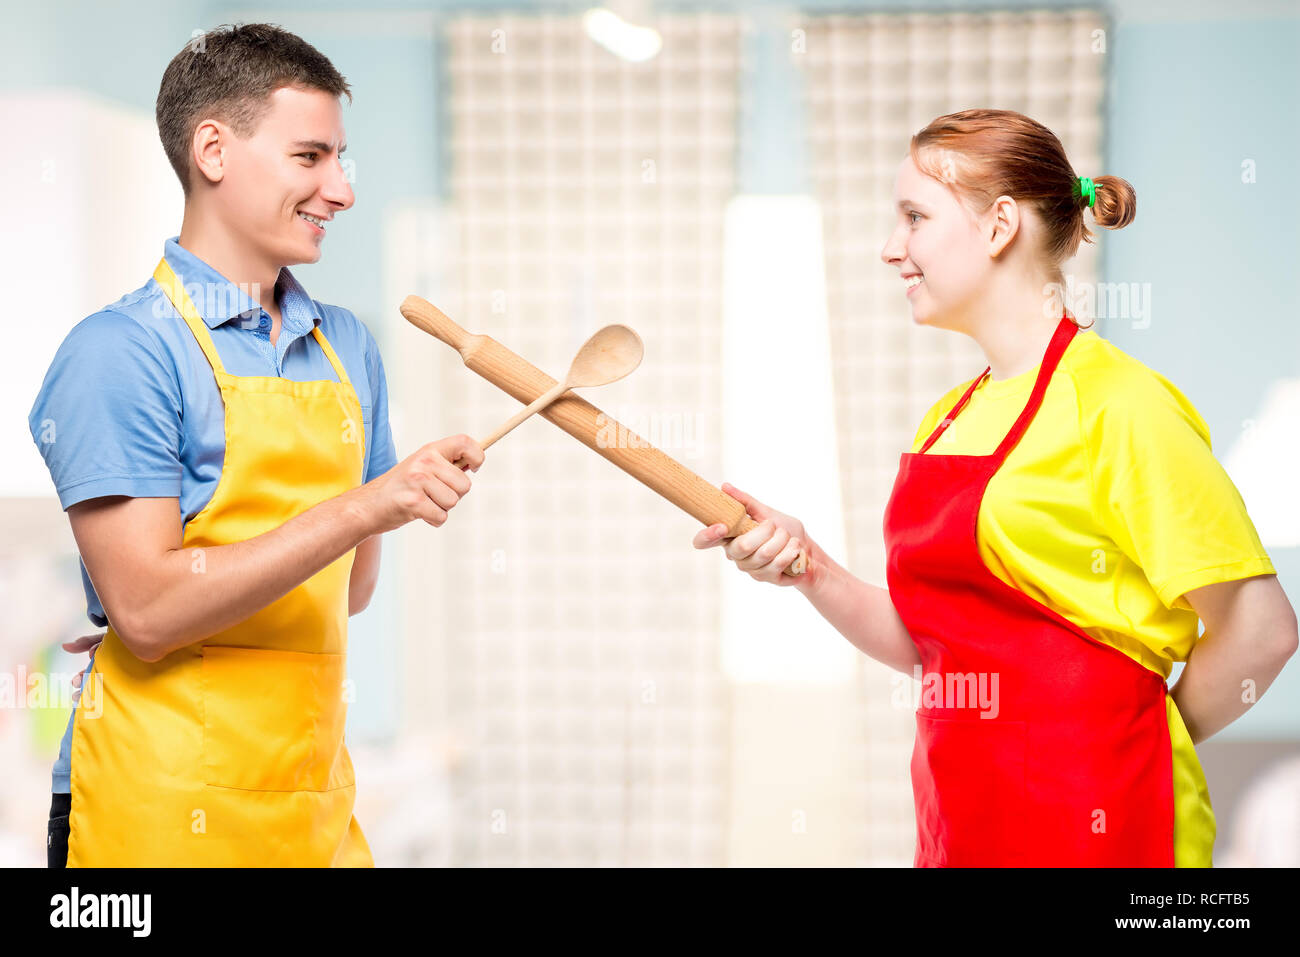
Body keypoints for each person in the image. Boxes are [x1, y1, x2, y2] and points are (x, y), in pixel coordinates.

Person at [694, 108, 1297, 867]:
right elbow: (933, 648)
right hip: (961, 816)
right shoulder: (947, 417)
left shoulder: (1121, 406)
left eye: (914, 217)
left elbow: (1262, 632)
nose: (891, 248)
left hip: (1109, 818)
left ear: (999, 225)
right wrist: (806, 561)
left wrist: (1137, 734)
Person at [29, 23, 485, 867]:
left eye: (340, 159)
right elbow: (154, 612)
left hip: (308, 807)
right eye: (310, 157)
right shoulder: (121, 351)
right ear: (213, 150)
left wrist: (211, 595)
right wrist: (365, 504)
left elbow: (345, 592)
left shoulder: (349, 347)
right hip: (152, 814)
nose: (341, 190)